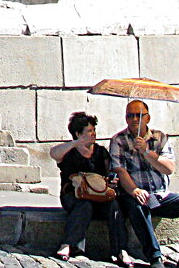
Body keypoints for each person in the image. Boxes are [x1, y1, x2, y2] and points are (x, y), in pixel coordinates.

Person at [111, 100, 179, 268]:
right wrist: (135, 190)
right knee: (137, 206)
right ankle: (154, 257)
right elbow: (120, 170)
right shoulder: (119, 140)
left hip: (160, 194)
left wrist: (146, 151)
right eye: (130, 115)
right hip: (136, 192)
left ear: (148, 118)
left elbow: (168, 168)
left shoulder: (160, 138)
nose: (135, 120)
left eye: (139, 115)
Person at [49, 111, 131, 265]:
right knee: (84, 205)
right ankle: (69, 245)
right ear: (78, 133)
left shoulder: (100, 152)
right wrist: (76, 143)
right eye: (89, 131)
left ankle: (121, 250)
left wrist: (112, 181)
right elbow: (54, 153)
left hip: (99, 196)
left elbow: (109, 173)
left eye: (94, 130)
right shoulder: (69, 152)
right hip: (73, 196)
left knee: (114, 205)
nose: (94, 134)